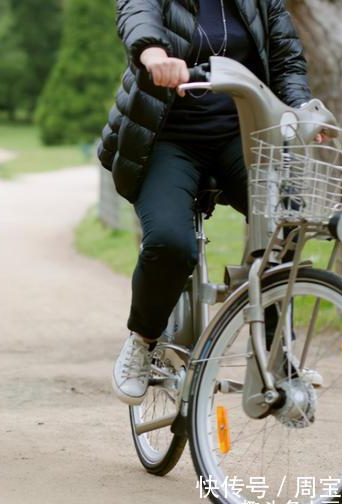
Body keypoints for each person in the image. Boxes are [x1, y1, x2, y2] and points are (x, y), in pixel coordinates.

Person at [98, 0, 321, 405]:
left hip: (241, 135)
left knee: (285, 220)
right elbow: (137, 15)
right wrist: (153, 54)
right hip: (165, 136)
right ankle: (143, 340)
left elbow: (287, 59)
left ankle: (275, 354)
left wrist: (301, 109)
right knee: (170, 242)